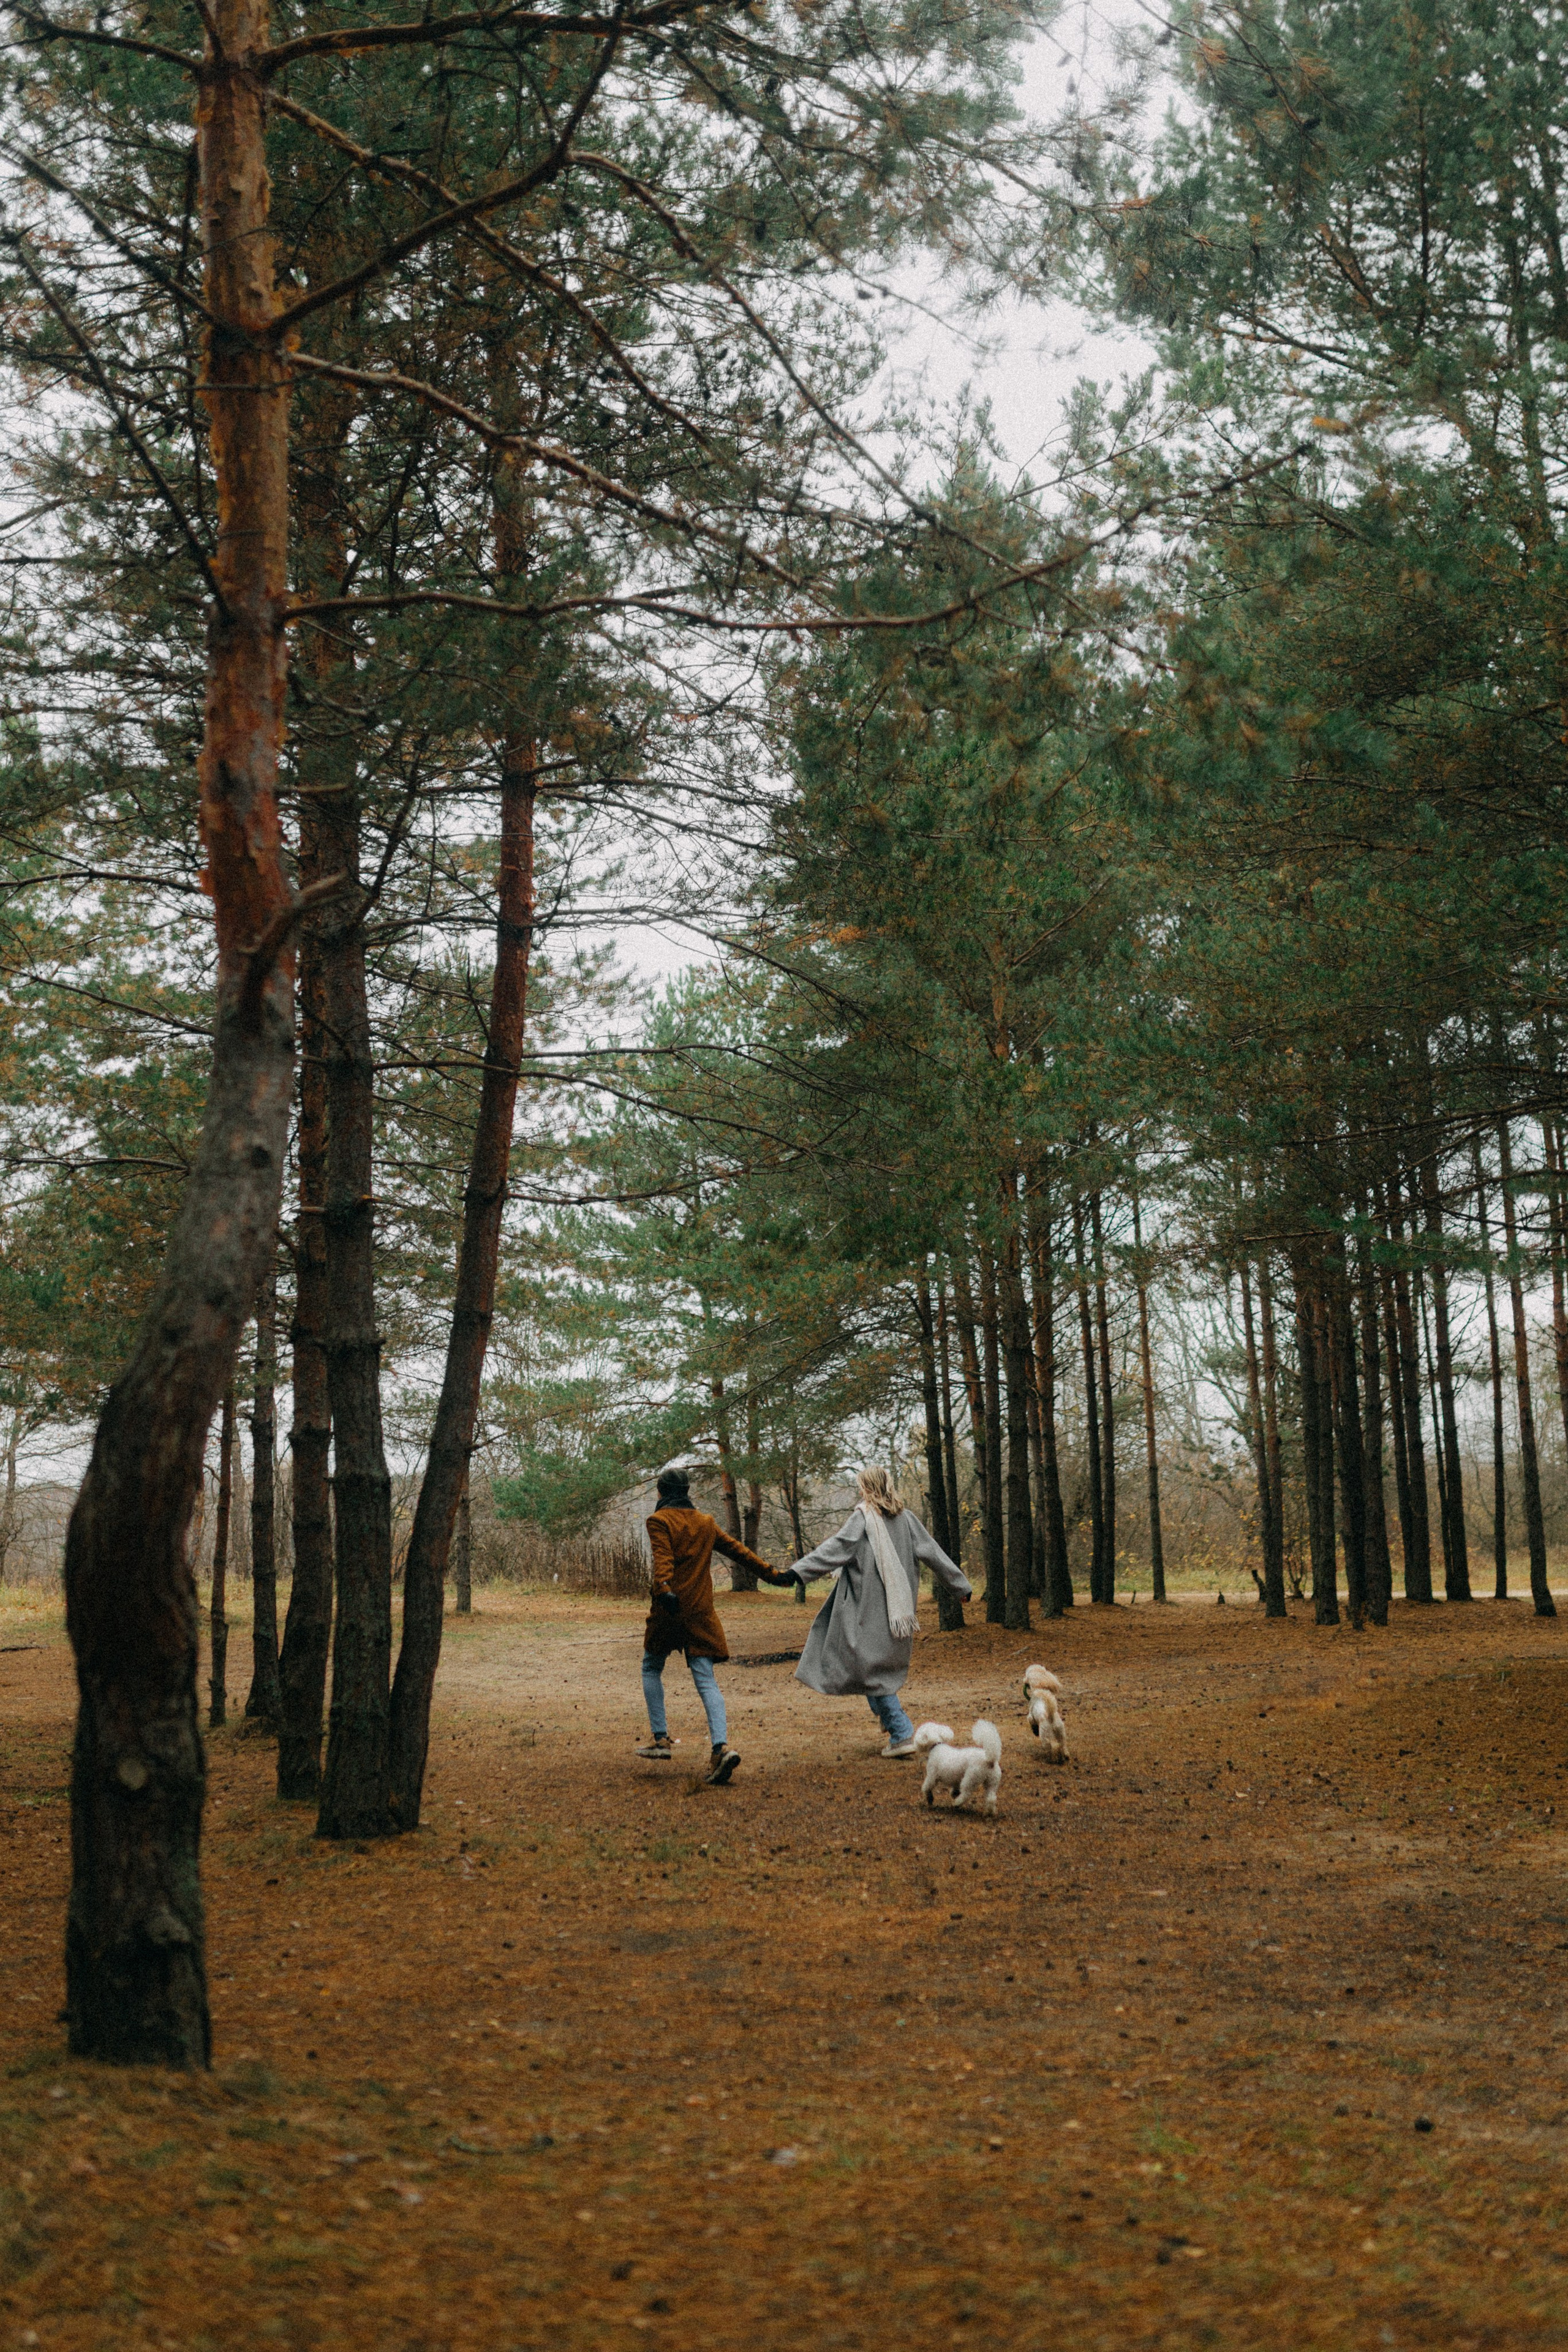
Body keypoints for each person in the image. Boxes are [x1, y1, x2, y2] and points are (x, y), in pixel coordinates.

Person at [790, 1465, 970, 1755]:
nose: (860, 1491)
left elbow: (835, 1548)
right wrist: (960, 1586)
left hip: (865, 1612)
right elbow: (934, 1553)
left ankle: (901, 1733)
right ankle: (893, 1726)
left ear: (867, 1488)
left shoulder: (862, 1519)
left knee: (871, 1672)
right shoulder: (907, 1519)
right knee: (872, 1670)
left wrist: (797, 1573)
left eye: (862, 1486)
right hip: (898, 1614)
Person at [639, 1464, 790, 1784]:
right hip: (699, 1612)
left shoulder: (659, 1520)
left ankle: (661, 1739)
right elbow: (739, 1551)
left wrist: (664, 1588)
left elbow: (662, 1560)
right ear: (688, 1490)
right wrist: (773, 1575)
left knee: (651, 1667)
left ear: (661, 1492)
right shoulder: (705, 1523)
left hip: (669, 1610)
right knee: (706, 1679)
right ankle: (720, 1748)